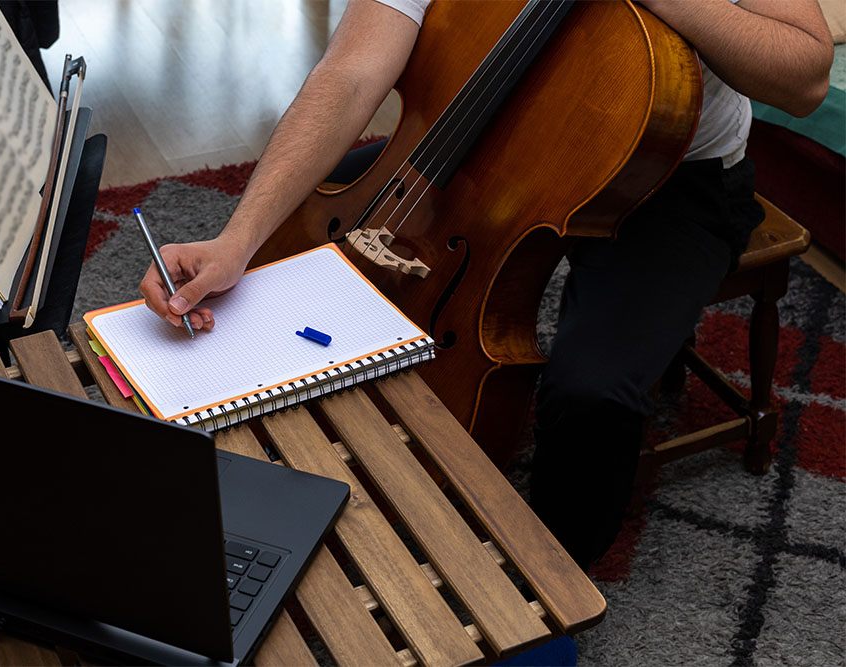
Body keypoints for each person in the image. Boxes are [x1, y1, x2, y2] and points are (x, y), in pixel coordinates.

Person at [139, 0, 834, 570]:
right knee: (302, 233)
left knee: (592, 392)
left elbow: (804, 78)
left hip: (663, 171)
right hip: (493, 129)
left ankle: (550, 586)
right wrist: (239, 238)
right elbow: (350, 73)